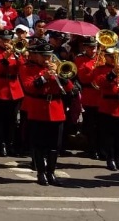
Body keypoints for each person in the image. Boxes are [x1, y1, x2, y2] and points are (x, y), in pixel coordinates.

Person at [21, 41, 73, 186]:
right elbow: (29, 87)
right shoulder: (27, 68)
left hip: (56, 109)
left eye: (49, 56)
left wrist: (60, 76)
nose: (47, 59)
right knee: (39, 144)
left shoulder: (57, 67)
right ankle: (41, 173)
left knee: (54, 145)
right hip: (38, 108)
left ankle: (51, 172)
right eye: (43, 56)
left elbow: (70, 88)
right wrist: (44, 77)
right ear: (37, 56)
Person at [93, 47, 119, 172]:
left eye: (115, 56)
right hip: (108, 106)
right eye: (110, 56)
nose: (113, 58)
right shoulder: (100, 69)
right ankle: (110, 159)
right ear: (105, 57)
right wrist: (113, 73)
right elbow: (100, 83)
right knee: (109, 135)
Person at [0, 30, 23, 157]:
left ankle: (11, 144)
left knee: (13, 119)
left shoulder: (16, 51)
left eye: (8, 40)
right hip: (1, 88)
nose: (6, 42)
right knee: (1, 119)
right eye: (3, 39)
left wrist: (18, 56)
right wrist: (5, 58)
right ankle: (2, 144)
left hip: (15, 88)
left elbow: (23, 68)